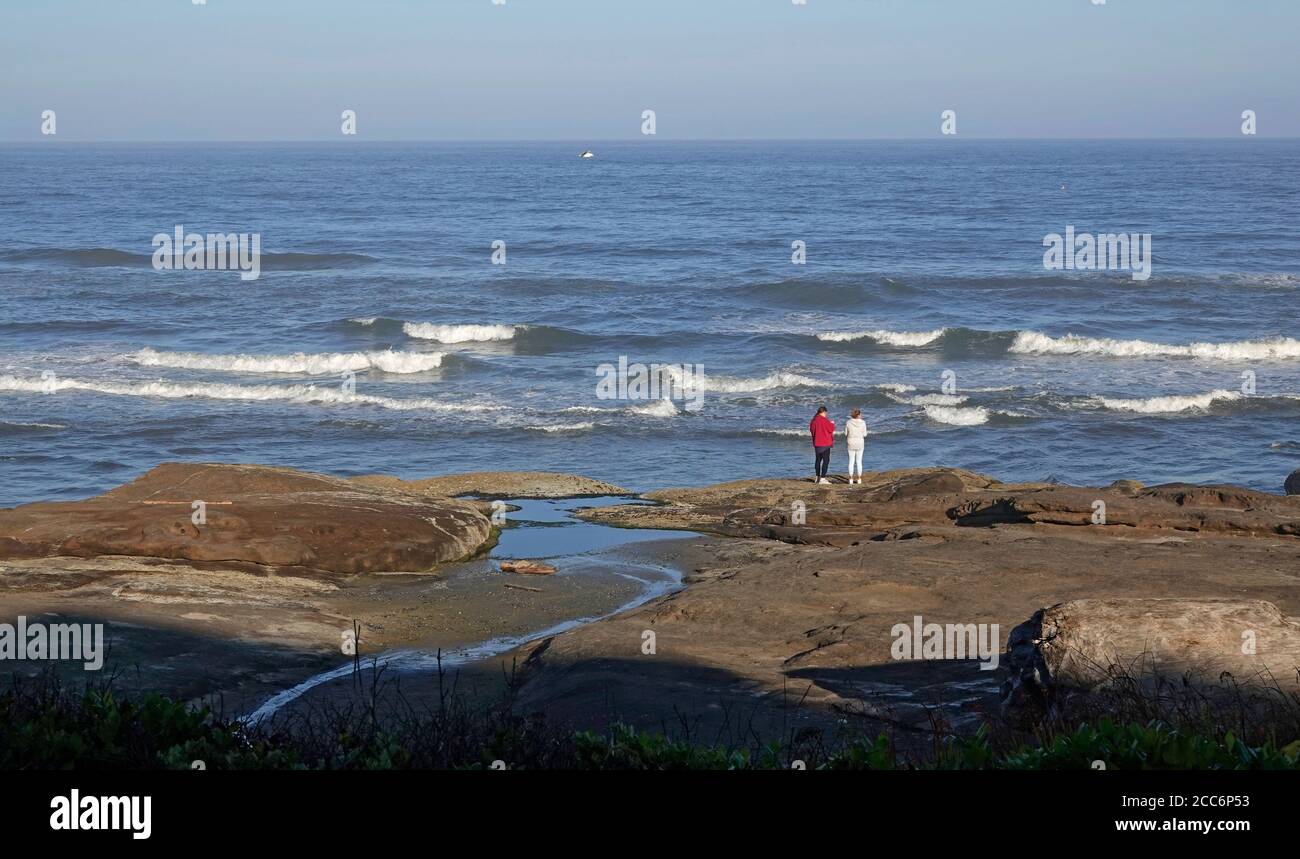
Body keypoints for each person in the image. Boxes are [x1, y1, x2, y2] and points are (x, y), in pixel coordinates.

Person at [809, 405, 835, 484]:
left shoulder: (813, 421)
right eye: (825, 413)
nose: (826, 414)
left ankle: (817, 477)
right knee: (826, 461)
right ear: (823, 412)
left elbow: (812, 430)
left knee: (818, 460)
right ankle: (822, 478)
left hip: (817, 443)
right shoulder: (824, 420)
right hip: (825, 443)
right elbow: (831, 429)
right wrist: (832, 423)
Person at [844, 408, 867, 484]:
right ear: (859, 415)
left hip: (851, 442)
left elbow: (845, 433)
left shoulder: (848, 422)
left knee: (851, 461)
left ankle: (850, 479)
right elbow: (865, 434)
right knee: (859, 461)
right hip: (860, 443)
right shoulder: (863, 423)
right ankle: (859, 479)